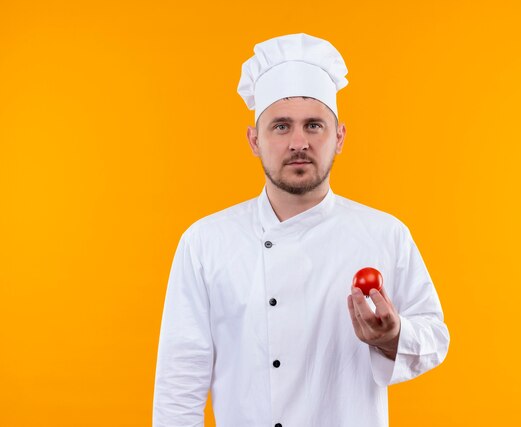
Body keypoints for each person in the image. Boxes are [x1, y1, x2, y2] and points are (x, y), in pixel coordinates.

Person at [152, 33, 450, 427]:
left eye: (314, 125)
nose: (298, 142)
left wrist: (393, 337)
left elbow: (435, 337)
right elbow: (179, 384)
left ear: (339, 137)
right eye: (280, 126)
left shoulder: (385, 235)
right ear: (254, 140)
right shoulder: (205, 243)